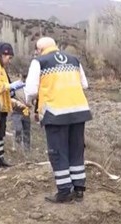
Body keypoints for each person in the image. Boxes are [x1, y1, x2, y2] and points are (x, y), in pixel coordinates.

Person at [24, 37, 91, 203]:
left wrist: (32, 99)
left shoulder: (39, 62)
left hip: (55, 112)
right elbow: (85, 85)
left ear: (39, 49)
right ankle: (79, 189)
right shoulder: (74, 60)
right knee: (76, 150)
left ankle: (64, 191)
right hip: (78, 110)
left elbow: (31, 90)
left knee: (58, 152)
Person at [11, 74, 31, 153]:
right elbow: (10, 97)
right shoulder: (15, 86)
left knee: (27, 130)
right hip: (17, 111)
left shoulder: (30, 86)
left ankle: (27, 150)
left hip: (26, 110)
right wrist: (17, 103)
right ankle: (17, 148)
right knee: (18, 129)